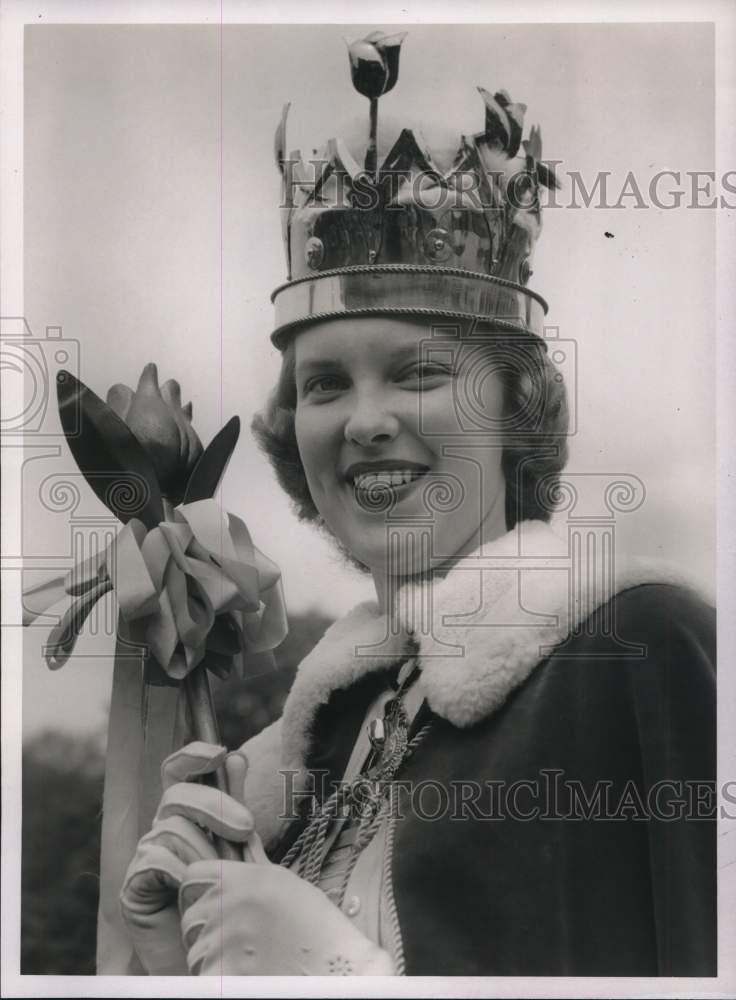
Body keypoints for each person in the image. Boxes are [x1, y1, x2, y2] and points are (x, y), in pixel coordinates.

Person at [119, 33, 716, 977]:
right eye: (322, 386)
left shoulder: (641, 644)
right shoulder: (318, 734)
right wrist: (174, 960)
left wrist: (333, 978)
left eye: (420, 372)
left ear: (516, 409)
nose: (362, 422)